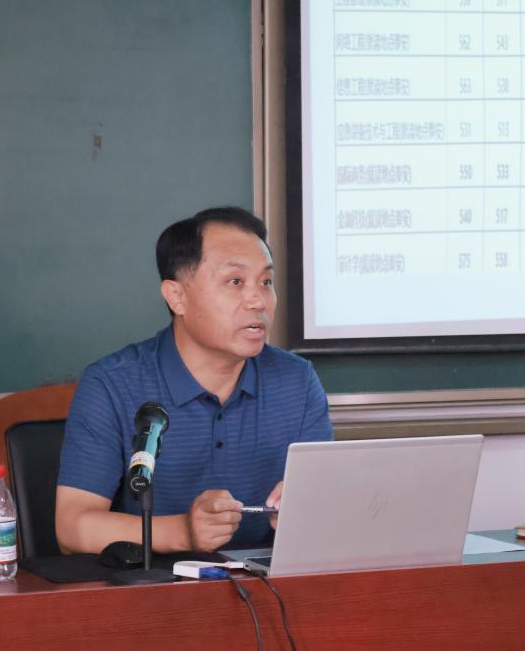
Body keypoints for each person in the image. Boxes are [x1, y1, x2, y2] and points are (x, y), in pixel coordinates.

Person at [55, 206, 333, 554]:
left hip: (266, 580)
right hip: (156, 582)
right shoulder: (112, 384)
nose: (258, 300)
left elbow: (331, 508)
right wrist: (182, 532)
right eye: (235, 282)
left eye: (265, 282)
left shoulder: (296, 380)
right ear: (177, 297)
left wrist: (310, 510)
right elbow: (72, 527)